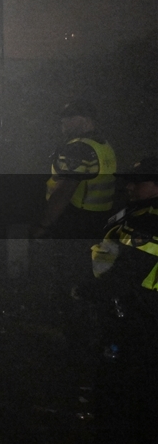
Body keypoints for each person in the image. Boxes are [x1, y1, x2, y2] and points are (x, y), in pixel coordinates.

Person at [89, 157, 157, 443]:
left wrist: (90, 290)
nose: (129, 186)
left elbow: (132, 268)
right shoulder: (136, 211)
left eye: (137, 182)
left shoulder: (149, 218)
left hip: (141, 314)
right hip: (134, 310)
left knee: (128, 387)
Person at [37, 100, 117, 238]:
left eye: (69, 116)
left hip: (74, 219)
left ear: (86, 120)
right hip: (99, 219)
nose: (63, 120)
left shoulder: (78, 149)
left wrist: (43, 225)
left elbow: (64, 192)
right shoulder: (102, 144)